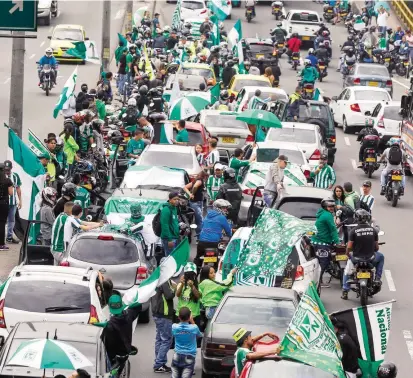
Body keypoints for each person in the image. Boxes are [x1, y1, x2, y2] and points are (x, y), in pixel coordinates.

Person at [94, 294, 141, 377]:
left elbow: (109, 346)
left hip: (114, 359)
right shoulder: (129, 315)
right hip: (125, 355)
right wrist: (132, 303)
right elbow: (138, 307)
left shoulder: (109, 326)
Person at [342, 209, 385, 299]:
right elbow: (376, 248)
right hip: (370, 258)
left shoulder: (353, 231)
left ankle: (345, 291)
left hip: (356, 259)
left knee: (347, 270)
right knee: (381, 257)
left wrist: (347, 253)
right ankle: (377, 278)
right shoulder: (373, 231)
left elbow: (349, 247)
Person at [194, 199, 233, 270]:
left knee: (198, 259)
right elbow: (228, 231)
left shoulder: (207, 215)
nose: (225, 209)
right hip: (213, 243)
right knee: (216, 261)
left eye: (225, 208)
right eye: (223, 208)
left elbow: (203, 226)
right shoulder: (222, 218)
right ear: (217, 208)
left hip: (202, 242)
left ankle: (194, 273)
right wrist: (230, 236)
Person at [311, 197, 340, 288]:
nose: (331, 208)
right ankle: (318, 282)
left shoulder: (322, 213)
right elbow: (333, 229)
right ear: (325, 206)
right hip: (321, 243)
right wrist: (337, 241)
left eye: (332, 206)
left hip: (316, 241)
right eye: (329, 206)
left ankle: (319, 280)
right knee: (323, 263)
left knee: (319, 262)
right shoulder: (327, 215)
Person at [152, 275, 175, 373]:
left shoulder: (157, 279)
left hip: (157, 314)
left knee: (160, 339)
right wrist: (174, 288)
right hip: (164, 314)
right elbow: (169, 295)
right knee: (166, 340)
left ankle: (159, 362)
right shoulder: (164, 280)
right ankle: (159, 364)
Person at [171, 307, 203, 378]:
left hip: (177, 355)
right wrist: (192, 321)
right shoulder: (194, 328)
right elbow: (200, 335)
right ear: (189, 317)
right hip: (189, 356)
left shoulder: (174, 327)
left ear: (179, 317)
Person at [183, 171, 207, 240]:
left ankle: (200, 235)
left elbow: (185, 187)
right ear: (204, 176)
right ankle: (199, 237)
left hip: (197, 202)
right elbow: (196, 186)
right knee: (199, 220)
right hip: (196, 203)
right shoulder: (200, 181)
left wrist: (189, 194)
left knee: (199, 219)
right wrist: (192, 193)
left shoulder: (195, 180)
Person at [4, 160, 22, 244]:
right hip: (3, 202)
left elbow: (18, 188)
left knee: (11, 220)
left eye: (8, 169)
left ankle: (9, 237)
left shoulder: (15, 176)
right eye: (5, 169)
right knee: (2, 221)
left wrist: (20, 200)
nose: (7, 171)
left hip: (13, 202)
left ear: (11, 168)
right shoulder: (1, 176)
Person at [160, 192, 180, 256]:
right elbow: (165, 225)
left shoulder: (174, 208)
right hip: (169, 238)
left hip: (175, 237)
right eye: (174, 199)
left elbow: (174, 222)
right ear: (170, 199)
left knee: (174, 256)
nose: (177, 201)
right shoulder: (166, 210)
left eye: (178, 199)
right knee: (170, 258)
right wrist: (169, 240)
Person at [0, 163, 13, 251]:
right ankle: (1, 244)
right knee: (2, 223)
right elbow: (11, 193)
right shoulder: (7, 180)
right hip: (3, 203)